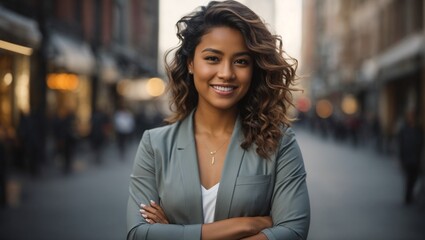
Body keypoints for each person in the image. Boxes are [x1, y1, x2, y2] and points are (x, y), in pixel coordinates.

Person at [126, 1, 310, 239]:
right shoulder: (155, 145)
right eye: (212, 58)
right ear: (191, 63)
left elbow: (292, 232)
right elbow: (138, 234)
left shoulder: (279, 143)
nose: (226, 73)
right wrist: (247, 225)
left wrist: (173, 232)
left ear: (254, 69)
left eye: (241, 61)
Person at [397, 111, 424, 205]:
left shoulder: (419, 130)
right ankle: (408, 196)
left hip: (416, 157)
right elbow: (400, 144)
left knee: (414, 177)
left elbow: (421, 144)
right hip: (407, 157)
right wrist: (400, 159)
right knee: (409, 178)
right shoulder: (404, 129)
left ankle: (410, 194)